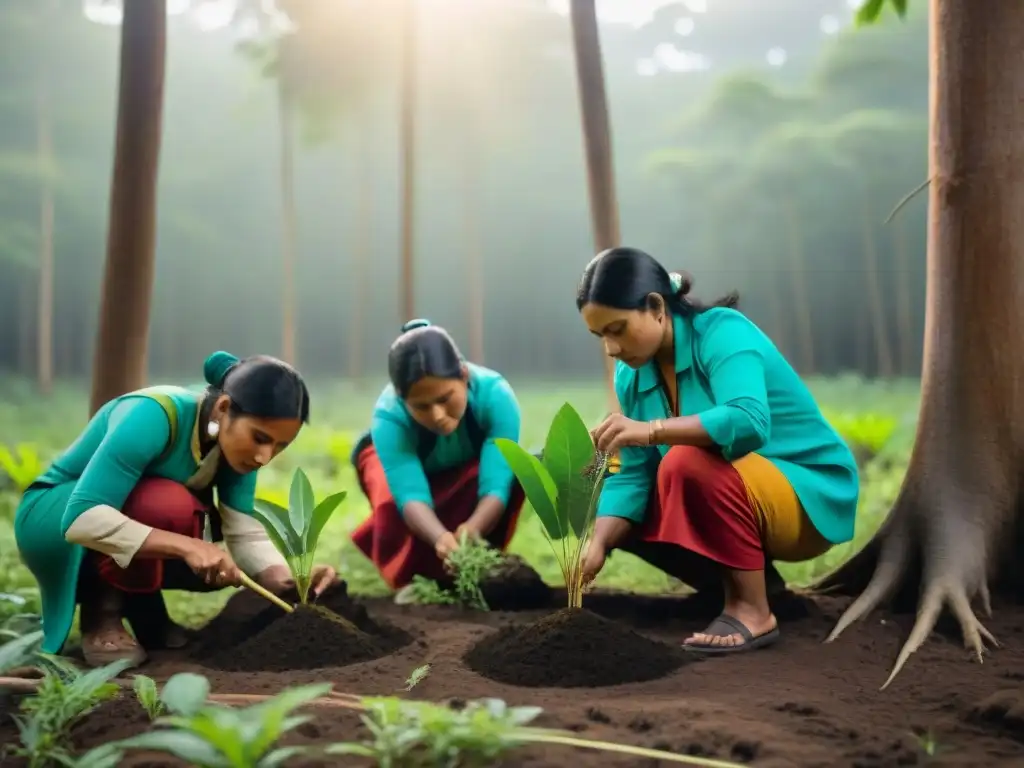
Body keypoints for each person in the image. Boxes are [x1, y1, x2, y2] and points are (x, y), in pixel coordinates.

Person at [577, 247, 859, 655]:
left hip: (805, 494)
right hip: (738, 492)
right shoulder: (632, 375)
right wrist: (599, 543)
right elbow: (636, 475)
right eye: (600, 335)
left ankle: (752, 610)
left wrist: (651, 430)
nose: (611, 348)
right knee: (626, 490)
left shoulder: (723, 332)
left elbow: (748, 420)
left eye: (618, 329)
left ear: (656, 307)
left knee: (683, 461)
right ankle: (743, 588)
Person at [14, 351, 338, 668]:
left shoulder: (236, 450)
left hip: (115, 521)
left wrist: (288, 581)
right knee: (166, 504)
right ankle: (103, 614)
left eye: (279, 446)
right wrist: (187, 546)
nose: (264, 457)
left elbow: (242, 529)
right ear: (224, 407)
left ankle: (145, 611)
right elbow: (81, 519)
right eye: (260, 438)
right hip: (52, 517)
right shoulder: (153, 414)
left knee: (196, 521)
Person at [350, 319, 526, 600]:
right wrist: (440, 539)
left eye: (446, 398)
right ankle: (413, 583)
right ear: (401, 399)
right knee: (388, 497)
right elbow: (409, 495)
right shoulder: (388, 417)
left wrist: (474, 528)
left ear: (464, 376)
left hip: (466, 462)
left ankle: (476, 576)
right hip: (395, 466)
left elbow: (497, 481)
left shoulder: (495, 395)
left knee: (515, 473)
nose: (438, 415)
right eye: (421, 406)